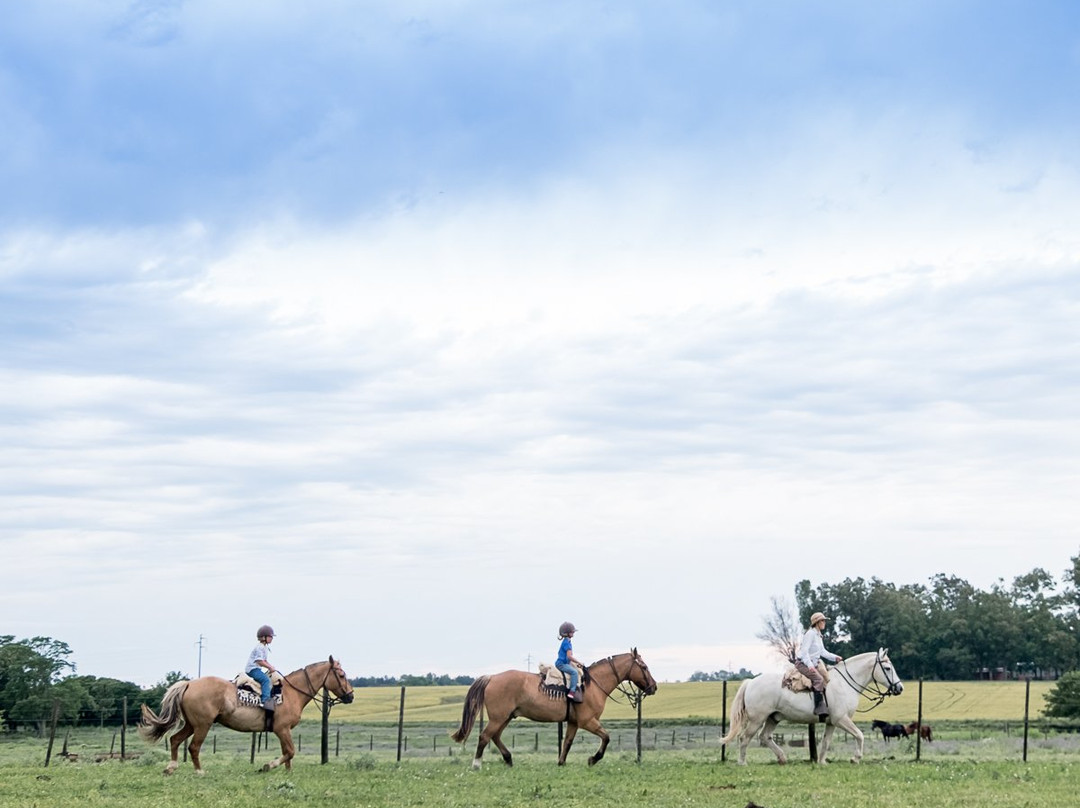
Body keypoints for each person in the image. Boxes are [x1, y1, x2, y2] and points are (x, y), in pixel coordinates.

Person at [796, 612, 843, 720]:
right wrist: (810, 665)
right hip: (803, 663)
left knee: (828, 678)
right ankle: (819, 708)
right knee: (819, 679)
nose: (824, 623)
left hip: (815, 662)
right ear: (817, 622)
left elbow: (823, 652)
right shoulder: (810, 634)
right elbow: (804, 652)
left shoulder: (818, 635)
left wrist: (835, 657)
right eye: (823, 621)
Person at [246, 625, 278, 711]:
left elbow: (265, 661)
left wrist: (271, 667)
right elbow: (259, 661)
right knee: (266, 680)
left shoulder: (264, 647)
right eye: (270, 636)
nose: (272, 638)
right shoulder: (260, 647)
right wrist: (269, 667)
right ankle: (264, 702)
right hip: (253, 669)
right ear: (264, 637)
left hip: (257, 669)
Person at [556, 621, 583, 702]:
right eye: (572, 631)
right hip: (561, 664)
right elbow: (569, 656)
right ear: (567, 633)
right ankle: (572, 692)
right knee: (574, 672)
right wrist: (579, 662)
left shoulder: (567, 641)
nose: (573, 632)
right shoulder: (567, 643)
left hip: (565, 663)